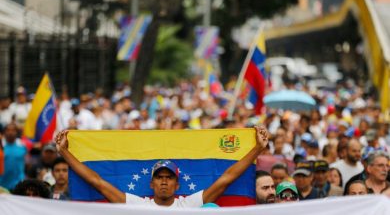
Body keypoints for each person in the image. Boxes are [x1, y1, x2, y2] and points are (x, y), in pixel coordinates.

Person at [55, 126, 269, 207]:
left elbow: (226, 179)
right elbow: (97, 182)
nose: (164, 181)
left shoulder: (188, 205)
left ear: (177, 185)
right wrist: (65, 152)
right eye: (159, 177)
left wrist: (257, 150)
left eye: (169, 177)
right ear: (151, 183)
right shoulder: (139, 205)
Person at [0, 123, 27, 190]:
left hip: (18, 184)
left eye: (13, 130)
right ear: (4, 132)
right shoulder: (1, 146)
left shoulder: (23, 146)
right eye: (8, 130)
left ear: (16, 132)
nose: (10, 132)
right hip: (2, 184)